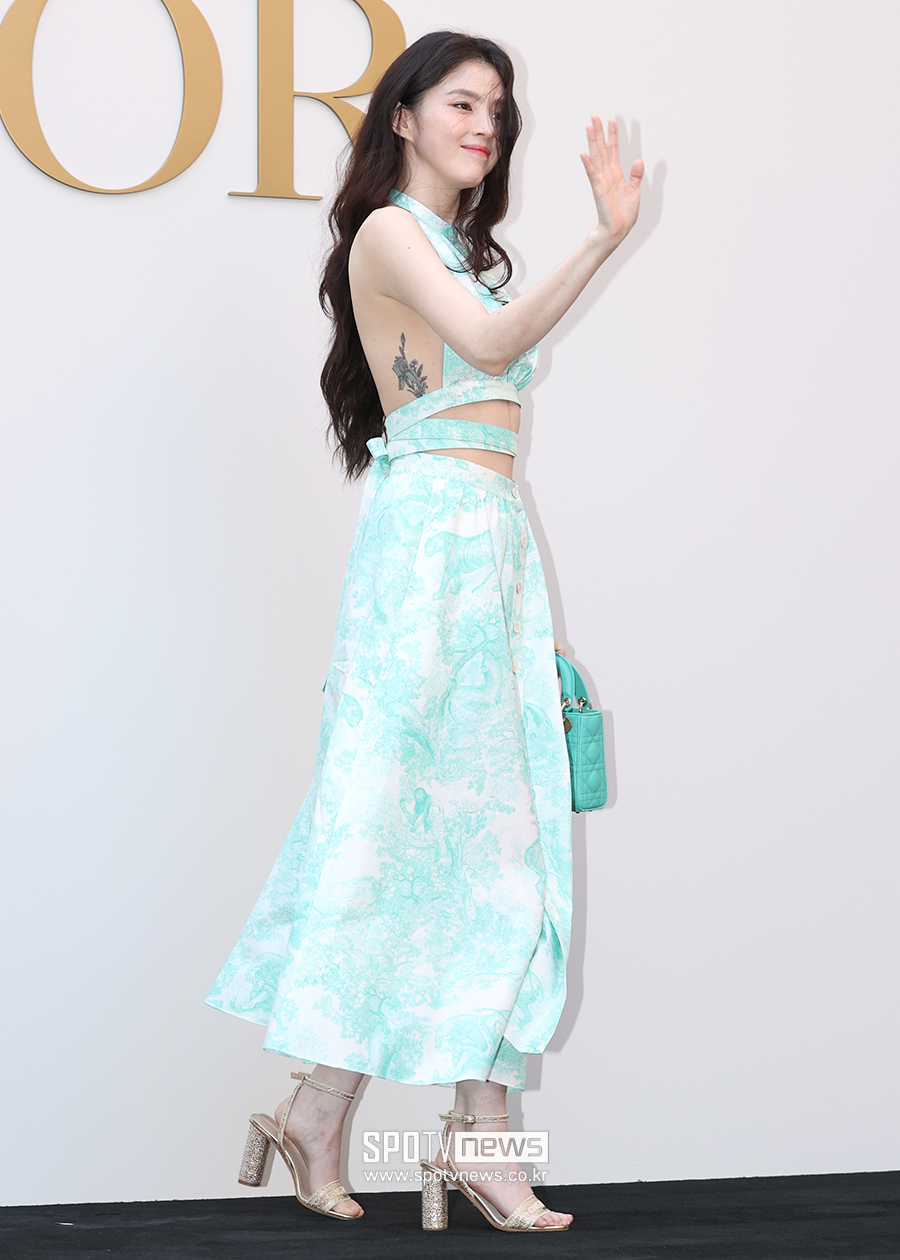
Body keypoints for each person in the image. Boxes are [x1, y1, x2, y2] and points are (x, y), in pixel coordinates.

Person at [206, 30, 642, 1234]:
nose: (486, 123)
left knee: (490, 846)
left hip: (482, 544)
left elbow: (487, 371)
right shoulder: (390, 232)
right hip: (430, 548)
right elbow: (493, 351)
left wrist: (519, 606)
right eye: (462, 101)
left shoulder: (454, 250)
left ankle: (370, 1122)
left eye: (498, 107)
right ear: (402, 116)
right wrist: (602, 236)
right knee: (405, 831)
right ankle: (417, 1133)